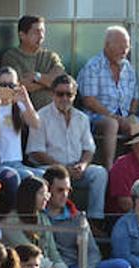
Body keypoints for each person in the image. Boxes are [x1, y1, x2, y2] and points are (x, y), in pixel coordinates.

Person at [26, 75, 107, 228]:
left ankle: (95, 222)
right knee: (38, 177)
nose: (64, 98)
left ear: (74, 95)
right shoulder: (40, 116)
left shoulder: (82, 118)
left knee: (99, 173)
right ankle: (49, 220)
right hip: (50, 169)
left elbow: (89, 148)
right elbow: (35, 151)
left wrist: (83, 165)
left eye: (68, 94)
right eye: (59, 94)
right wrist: (61, 168)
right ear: (52, 94)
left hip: (76, 169)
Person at [78, 26, 137, 168]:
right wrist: (114, 116)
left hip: (123, 115)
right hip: (96, 116)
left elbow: (135, 97)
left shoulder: (128, 68)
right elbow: (89, 100)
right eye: (120, 46)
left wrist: (131, 115)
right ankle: (110, 168)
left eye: (127, 47)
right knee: (112, 124)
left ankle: (137, 169)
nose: (124, 51)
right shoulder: (93, 66)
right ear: (107, 45)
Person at [0, 66, 42, 190]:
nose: (7, 89)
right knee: (27, 176)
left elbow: (36, 124)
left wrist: (26, 101)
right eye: (3, 85)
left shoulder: (19, 105)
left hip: (17, 163)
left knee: (45, 175)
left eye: (11, 85)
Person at [0, 15, 65, 110]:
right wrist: (48, 82)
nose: (41, 36)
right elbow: (22, 86)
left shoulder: (51, 57)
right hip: (26, 114)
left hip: (54, 111)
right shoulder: (11, 57)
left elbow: (60, 82)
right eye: (36, 32)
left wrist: (37, 77)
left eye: (43, 31)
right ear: (22, 35)